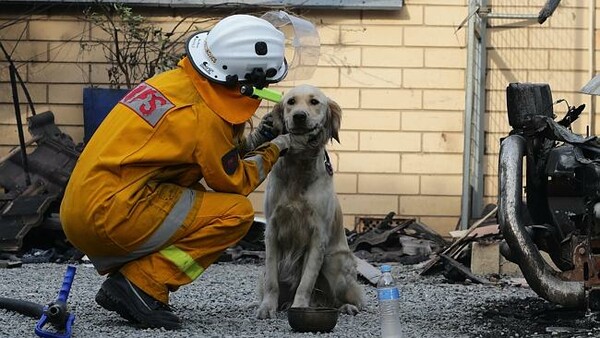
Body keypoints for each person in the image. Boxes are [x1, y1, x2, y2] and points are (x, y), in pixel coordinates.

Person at [60, 13, 308, 330]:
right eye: (263, 84)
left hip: (83, 209)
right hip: (112, 216)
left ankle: (134, 278)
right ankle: (142, 284)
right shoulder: (202, 115)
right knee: (234, 213)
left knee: (199, 203)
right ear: (245, 83)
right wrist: (278, 147)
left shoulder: (174, 84)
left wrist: (257, 139)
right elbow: (235, 181)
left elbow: (212, 154)